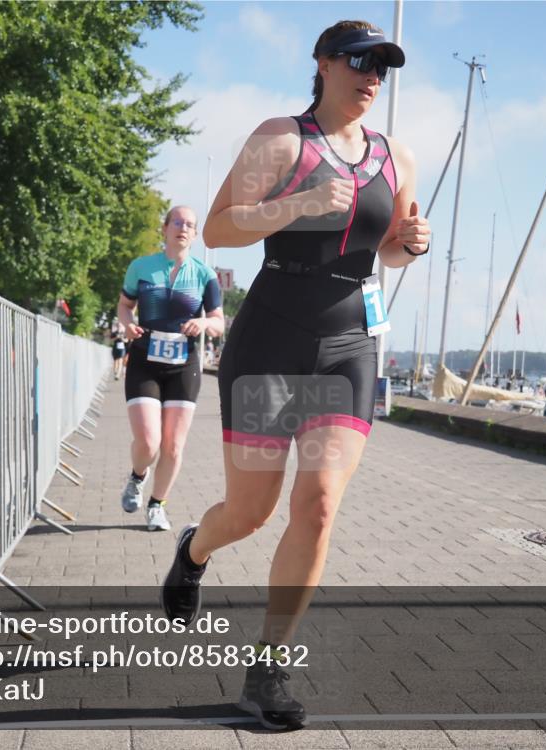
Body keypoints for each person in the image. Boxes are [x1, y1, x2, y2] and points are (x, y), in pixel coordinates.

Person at [160, 20, 431, 730]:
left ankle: (268, 667)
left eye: (383, 66)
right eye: (358, 60)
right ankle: (193, 550)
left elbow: (391, 252)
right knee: (249, 512)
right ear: (322, 63)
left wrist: (409, 244)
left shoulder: (396, 155)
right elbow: (219, 228)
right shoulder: (283, 138)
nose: (372, 75)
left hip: (349, 345)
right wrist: (301, 204)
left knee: (315, 506)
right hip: (274, 336)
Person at [117, 206, 224, 531]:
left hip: (183, 366)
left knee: (173, 445)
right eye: (176, 221)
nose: (183, 227)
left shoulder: (205, 275)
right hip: (145, 361)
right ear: (164, 229)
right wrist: (127, 324)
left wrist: (203, 322)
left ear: (194, 234)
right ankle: (137, 477)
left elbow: (219, 323)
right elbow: (125, 305)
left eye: (189, 224)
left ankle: (156, 505)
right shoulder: (141, 267)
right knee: (149, 442)